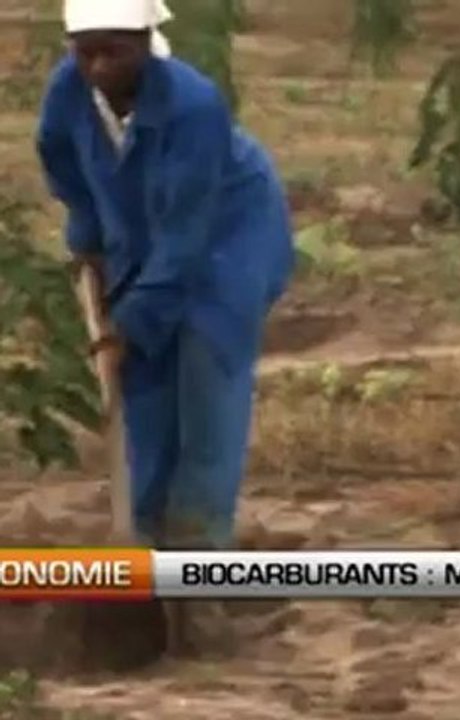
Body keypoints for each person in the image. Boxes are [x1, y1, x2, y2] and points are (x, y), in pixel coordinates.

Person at [36, 1, 294, 554]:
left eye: (116, 51)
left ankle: (200, 551)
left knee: (206, 378)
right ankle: (145, 537)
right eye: (88, 52)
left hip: (228, 233)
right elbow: (65, 167)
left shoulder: (193, 105)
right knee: (142, 387)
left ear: (146, 42)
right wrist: (88, 241)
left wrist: (128, 322)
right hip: (141, 227)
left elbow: (186, 233)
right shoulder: (67, 92)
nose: (101, 67)